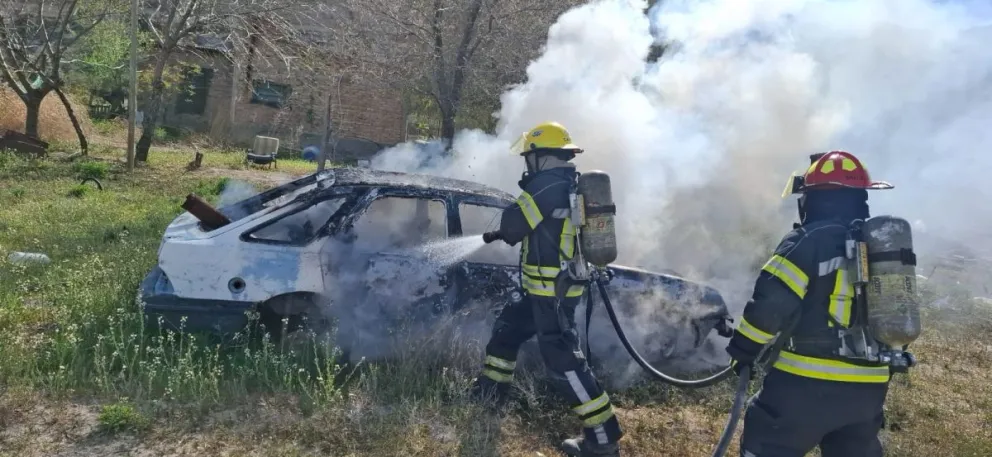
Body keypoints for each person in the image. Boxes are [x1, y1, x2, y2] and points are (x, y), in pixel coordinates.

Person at [726, 150, 901, 457]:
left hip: (804, 385)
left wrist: (743, 351)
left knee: (769, 445)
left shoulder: (806, 241)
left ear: (815, 199)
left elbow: (769, 308)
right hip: (868, 392)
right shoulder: (880, 248)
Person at [469, 121, 624, 457]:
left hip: (551, 295)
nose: (527, 164)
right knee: (507, 331)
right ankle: (489, 394)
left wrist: (512, 217)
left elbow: (514, 225)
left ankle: (603, 440)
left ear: (540, 156)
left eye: (529, 157)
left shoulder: (545, 184)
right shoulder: (566, 183)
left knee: (564, 362)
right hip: (542, 291)